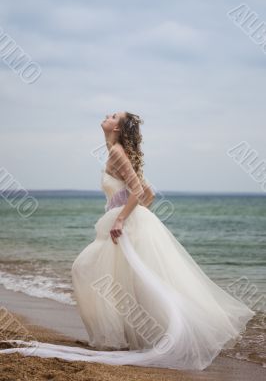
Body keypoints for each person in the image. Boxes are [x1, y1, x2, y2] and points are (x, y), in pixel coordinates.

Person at [0, 111, 255, 370]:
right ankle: (127, 338)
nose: (107, 116)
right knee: (126, 279)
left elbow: (137, 191)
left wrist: (123, 219)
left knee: (87, 269)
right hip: (128, 222)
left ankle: (119, 338)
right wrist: (133, 216)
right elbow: (149, 194)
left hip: (123, 224)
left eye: (112, 116)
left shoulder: (116, 152)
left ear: (118, 129)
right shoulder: (117, 151)